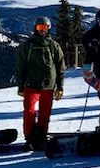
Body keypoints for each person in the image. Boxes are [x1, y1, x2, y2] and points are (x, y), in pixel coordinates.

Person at [16, 16, 66, 150]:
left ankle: (42, 136)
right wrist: (21, 85)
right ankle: (30, 137)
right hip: (31, 84)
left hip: (49, 85)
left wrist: (60, 86)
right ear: (35, 28)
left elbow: (60, 67)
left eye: (45, 28)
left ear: (49, 29)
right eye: (40, 28)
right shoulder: (28, 46)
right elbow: (21, 66)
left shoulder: (53, 46)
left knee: (45, 113)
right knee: (29, 112)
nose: (42, 31)